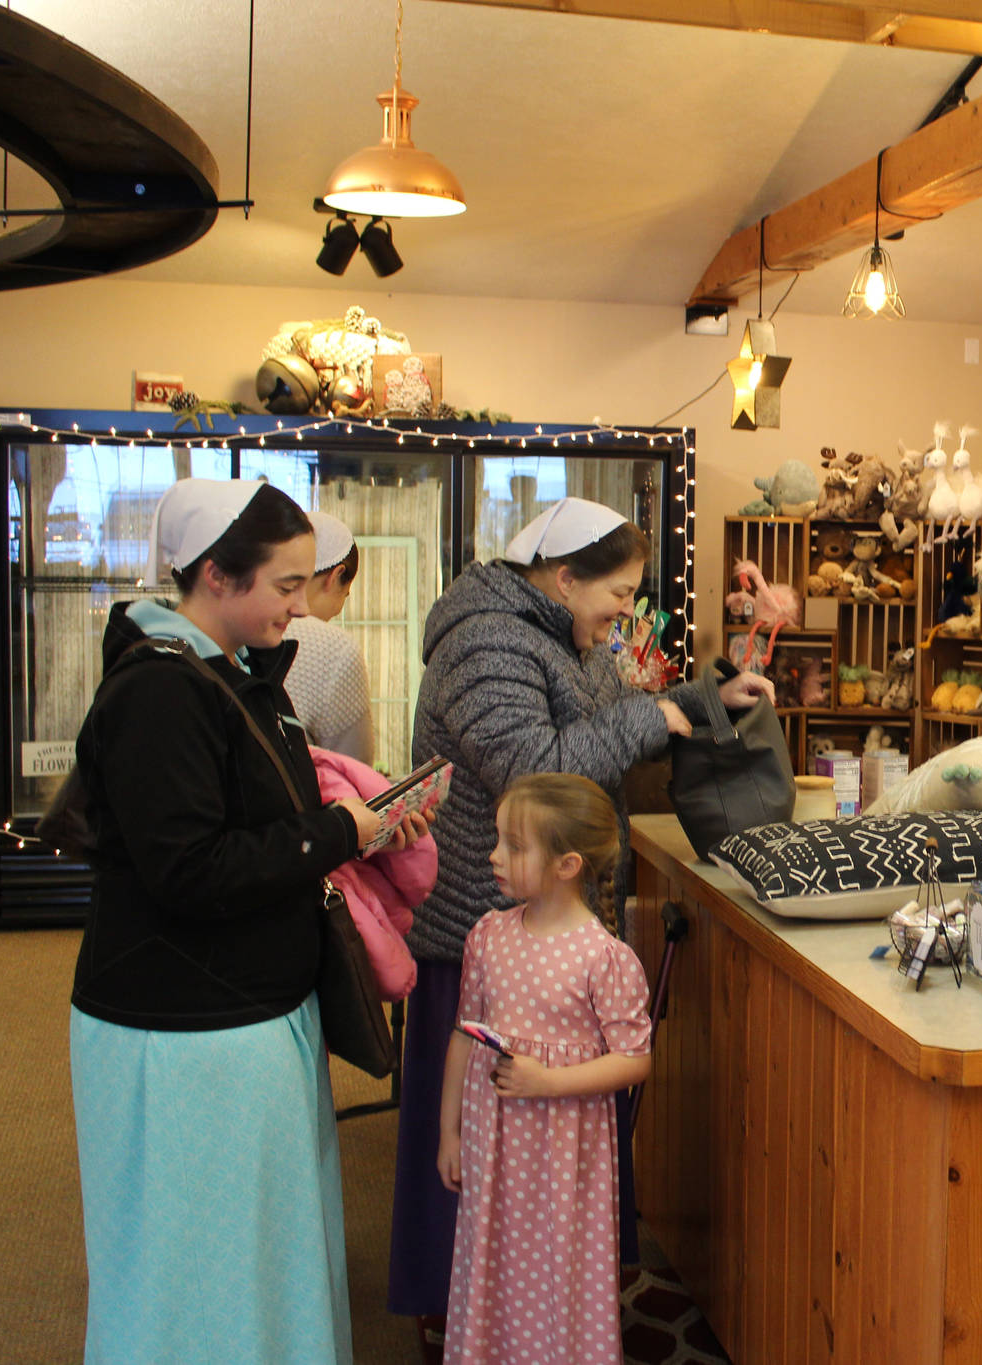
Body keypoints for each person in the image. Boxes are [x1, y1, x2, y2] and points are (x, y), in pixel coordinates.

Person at [389, 496, 773, 1352]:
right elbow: (539, 770)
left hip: (551, 923)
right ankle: (459, 1307)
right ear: (564, 578)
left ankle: (543, 1296)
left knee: (542, 1156)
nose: (626, 612)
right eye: (618, 592)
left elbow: (607, 715)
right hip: (483, 924)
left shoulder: (559, 634)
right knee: (473, 1139)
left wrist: (701, 697)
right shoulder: (484, 640)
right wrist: (655, 717)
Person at [67, 478, 424, 1364]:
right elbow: (189, 868)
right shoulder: (162, 691)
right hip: (184, 1024)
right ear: (217, 575)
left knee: (256, 1251)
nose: (301, 607)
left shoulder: (230, 674)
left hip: (239, 1013)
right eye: (287, 585)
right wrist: (341, 829)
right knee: (195, 1261)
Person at [438, 773, 655, 1364]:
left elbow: (635, 1060)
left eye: (514, 845)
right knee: (494, 1256)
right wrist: (449, 1132)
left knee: (559, 1269)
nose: (494, 856)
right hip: (494, 1146)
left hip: (564, 1158)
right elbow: (463, 1037)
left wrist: (548, 1081)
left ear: (567, 865)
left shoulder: (604, 958)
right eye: (499, 840)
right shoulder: (488, 936)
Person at [285, 508, 375, 763]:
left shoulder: (242, 626)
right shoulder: (333, 649)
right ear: (335, 576)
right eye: (344, 595)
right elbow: (355, 767)